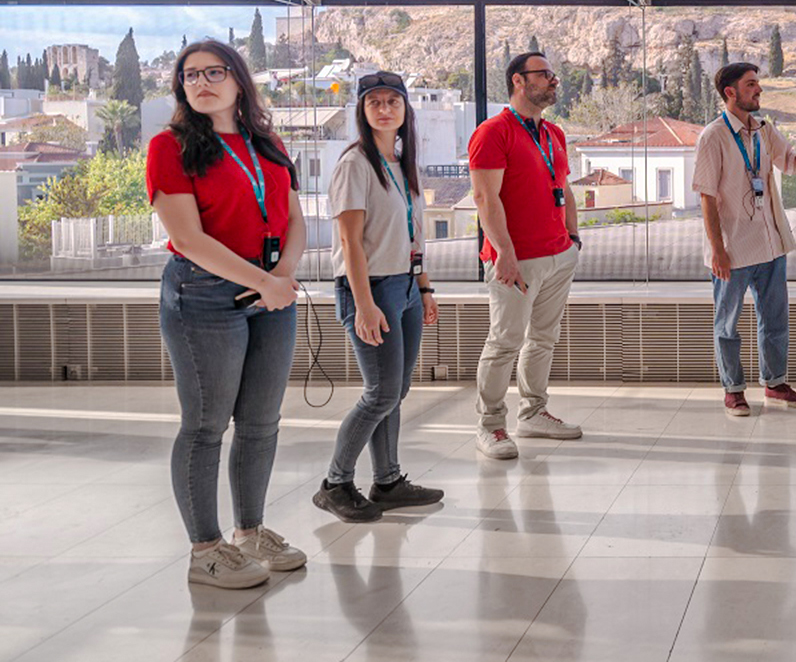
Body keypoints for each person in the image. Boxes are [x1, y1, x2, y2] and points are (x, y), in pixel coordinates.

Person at [146, 40, 308, 588]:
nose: (201, 82)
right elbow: (187, 238)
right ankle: (205, 550)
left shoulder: (268, 142)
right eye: (190, 75)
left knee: (261, 423)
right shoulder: (169, 147)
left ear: (239, 81)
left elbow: (295, 218)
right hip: (204, 295)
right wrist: (266, 281)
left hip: (270, 295)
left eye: (214, 71)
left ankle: (249, 532)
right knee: (206, 425)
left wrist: (281, 277)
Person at [313, 71, 444, 522]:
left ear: (405, 110)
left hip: (405, 286)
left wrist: (423, 287)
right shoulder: (355, 164)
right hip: (371, 289)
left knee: (397, 390)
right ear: (363, 111)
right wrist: (364, 304)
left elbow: (414, 233)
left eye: (393, 101)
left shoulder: (401, 164)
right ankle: (335, 483)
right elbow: (350, 242)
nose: (385, 109)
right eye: (376, 102)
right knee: (381, 391)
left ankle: (387, 480)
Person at [469, 51, 584, 458]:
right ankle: (491, 426)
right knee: (504, 342)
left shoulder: (553, 133)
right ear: (519, 81)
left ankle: (533, 413)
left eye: (553, 75)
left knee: (543, 339)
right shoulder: (493, 132)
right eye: (545, 75)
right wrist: (504, 252)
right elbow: (485, 197)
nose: (554, 81)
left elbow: (564, 187)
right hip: (514, 260)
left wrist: (573, 238)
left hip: (557, 254)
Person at [694, 62, 796, 417]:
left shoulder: (764, 129)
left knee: (775, 319)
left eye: (758, 85)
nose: (758, 91)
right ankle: (733, 390)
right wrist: (717, 249)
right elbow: (707, 196)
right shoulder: (713, 136)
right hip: (733, 249)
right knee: (727, 323)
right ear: (730, 92)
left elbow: (788, 164)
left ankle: (775, 384)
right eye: (751, 85)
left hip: (771, 243)